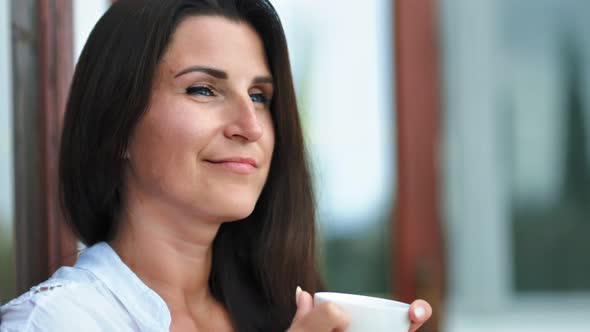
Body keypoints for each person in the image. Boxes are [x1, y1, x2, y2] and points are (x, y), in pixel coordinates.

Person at [0, 0, 432, 331]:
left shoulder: (281, 310)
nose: (251, 127)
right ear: (117, 124)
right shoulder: (54, 321)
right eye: (204, 89)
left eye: (260, 96)